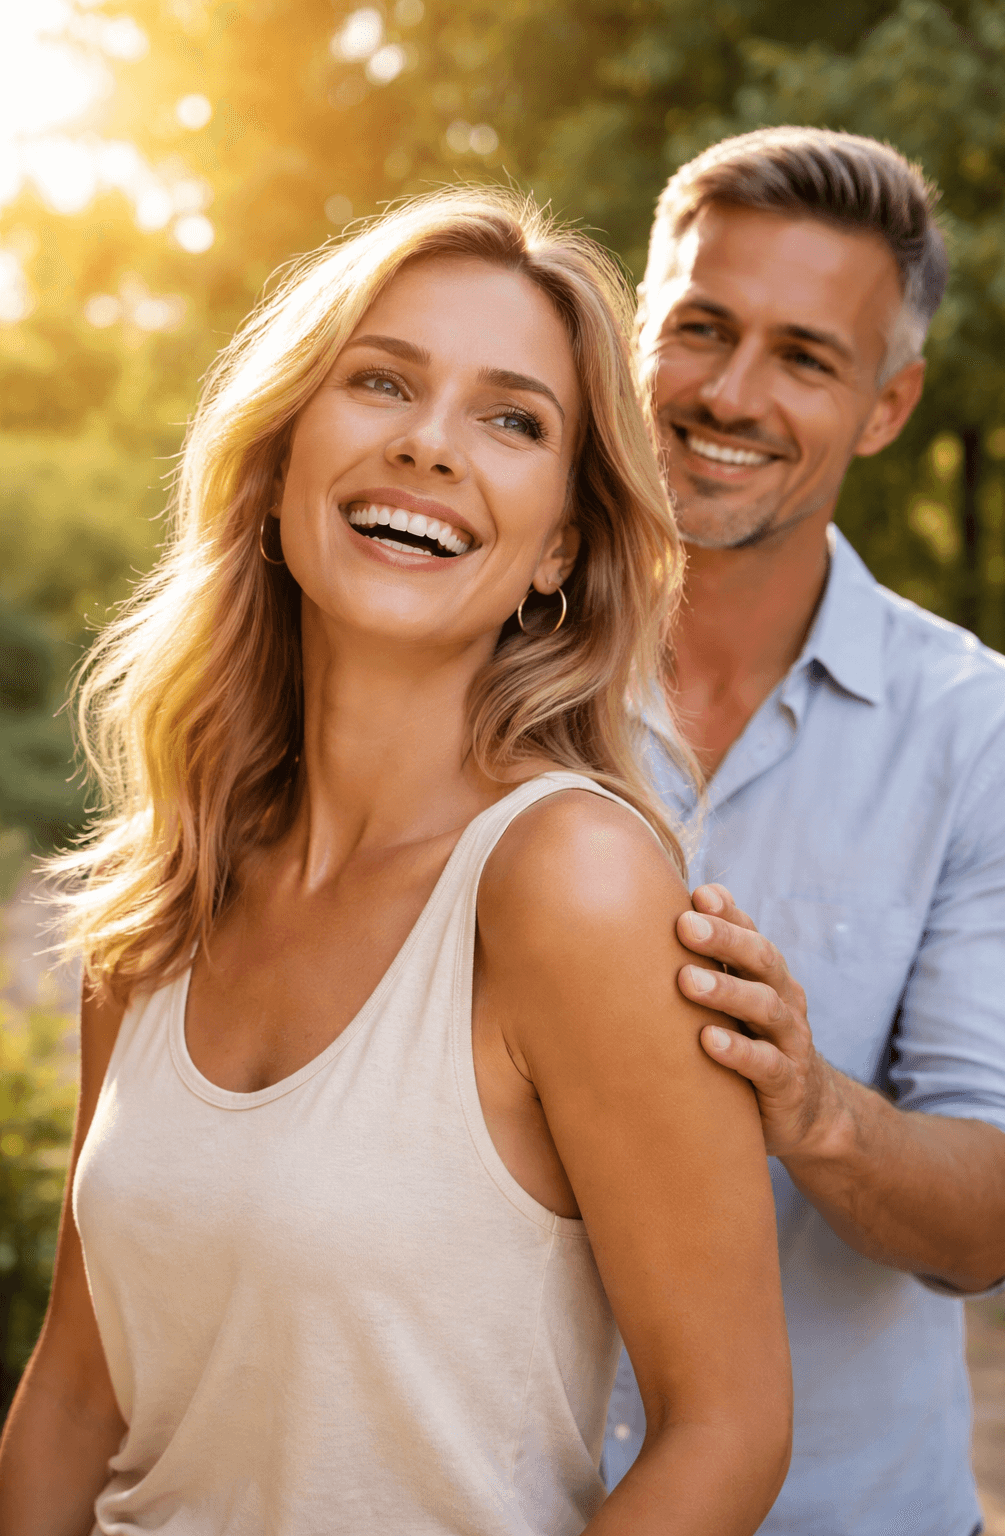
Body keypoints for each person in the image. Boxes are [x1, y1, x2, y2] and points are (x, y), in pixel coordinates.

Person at [0, 189, 792, 1536]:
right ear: (281, 460)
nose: (429, 445)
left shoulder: (574, 884)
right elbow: (80, 1388)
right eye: (381, 381)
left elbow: (729, 1431)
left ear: (558, 547)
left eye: (510, 419)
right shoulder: (172, 887)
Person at [602, 127, 1005, 1535]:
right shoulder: (465, 669)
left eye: (805, 356)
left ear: (888, 406)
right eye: (700, 330)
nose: (729, 393)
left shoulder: (982, 734)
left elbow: (992, 1222)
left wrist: (813, 1109)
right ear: (633, 335)